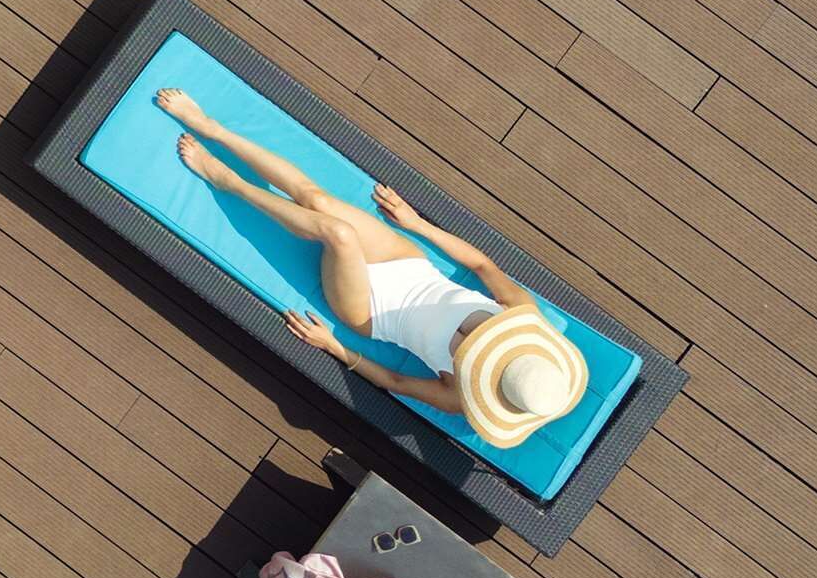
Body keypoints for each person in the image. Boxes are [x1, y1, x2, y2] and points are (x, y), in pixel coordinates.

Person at [156, 85, 587, 446]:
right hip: (407, 264)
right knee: (317, 199)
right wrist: (417, 224)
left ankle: (229, 182)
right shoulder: (522, 313)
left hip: (370, 311)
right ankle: (213, 129)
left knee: (338, 233)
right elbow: (480, 263)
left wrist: (334, 347)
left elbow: (394, 383)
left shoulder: (464, 397)